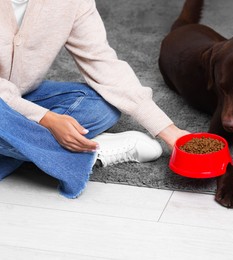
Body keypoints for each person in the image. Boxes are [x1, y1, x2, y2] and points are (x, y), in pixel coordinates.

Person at [0, 0, 189, 198]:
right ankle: (92, 154)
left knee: (101, 105)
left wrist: (168, 131)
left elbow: (101, 62)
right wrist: (46, 119)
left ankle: (23, 145)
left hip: (22, 96)